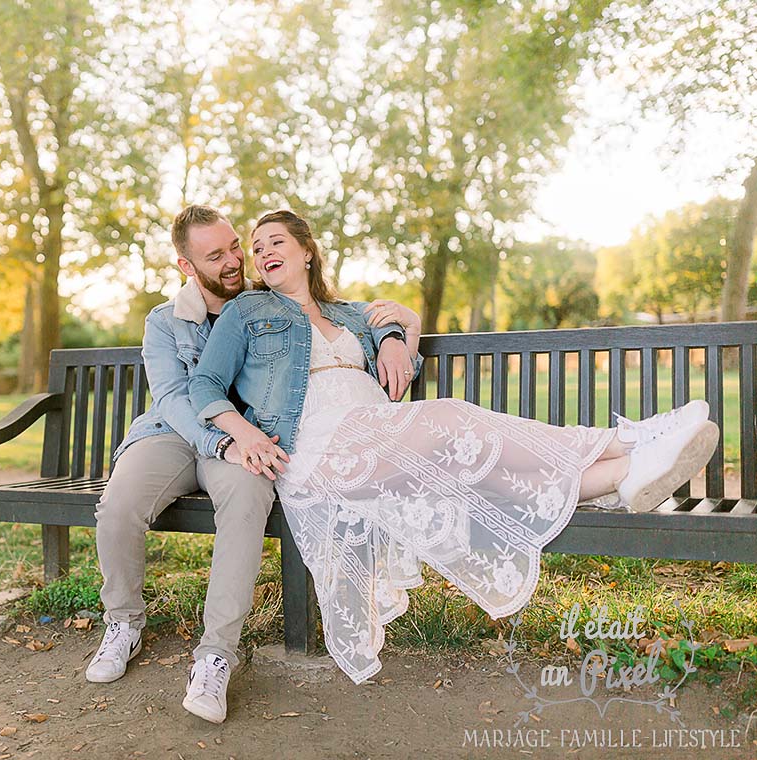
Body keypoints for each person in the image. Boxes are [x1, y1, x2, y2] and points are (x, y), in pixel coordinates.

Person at [188, 209, 719, 684]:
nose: (262, 253)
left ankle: (625, 474)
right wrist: (246, 433)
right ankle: (628, 437)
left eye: (275, 241)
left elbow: (399, 374)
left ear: (307, 251)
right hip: (320, 445)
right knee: (450, 417)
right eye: (256, 248)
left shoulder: (351, 314)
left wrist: (403, 332)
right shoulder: (247, 314)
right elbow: (204, 385)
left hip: (380, 429)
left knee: (472, 471)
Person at [86, 205, 417, 722]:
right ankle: (123, 624)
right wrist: (222, 442)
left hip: (253, 439)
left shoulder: (269, 301)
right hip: (176, 434)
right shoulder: (165, 321)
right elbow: (175, 397)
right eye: (216, 255)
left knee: (247, 500)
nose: (236, 260)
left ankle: (215, 655)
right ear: (186, 266)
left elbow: (340, 323)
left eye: (236, 245)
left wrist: (397, 333)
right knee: (119, 504)